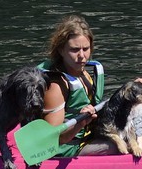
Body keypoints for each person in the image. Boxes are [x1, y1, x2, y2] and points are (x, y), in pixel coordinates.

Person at [37, 13, 117, 158]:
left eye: (85, 49)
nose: (81, 55)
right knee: (117, 146)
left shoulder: (85, 74)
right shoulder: (56, 86)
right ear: (61, 50)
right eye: (74, 50)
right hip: (66, 151)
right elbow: (54, 139)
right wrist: (80, 123)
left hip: (87, 139)